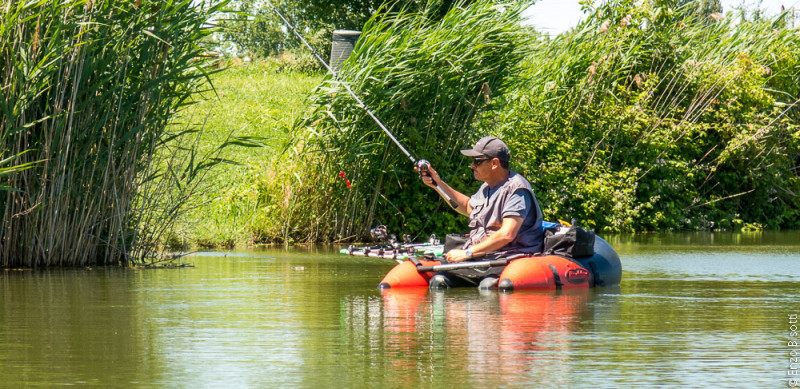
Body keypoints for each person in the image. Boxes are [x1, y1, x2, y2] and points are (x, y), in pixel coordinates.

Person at [419, 136, 544, 264]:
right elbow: (467, 207)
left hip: (509, 258)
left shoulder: (517, 189)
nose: (472, 165)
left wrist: (467, 253)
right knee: (439, 280)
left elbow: (507, 234)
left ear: (494, 163)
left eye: (477, 161)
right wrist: (438, 184)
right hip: (484, 257)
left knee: (487, 284)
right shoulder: (487, 186)